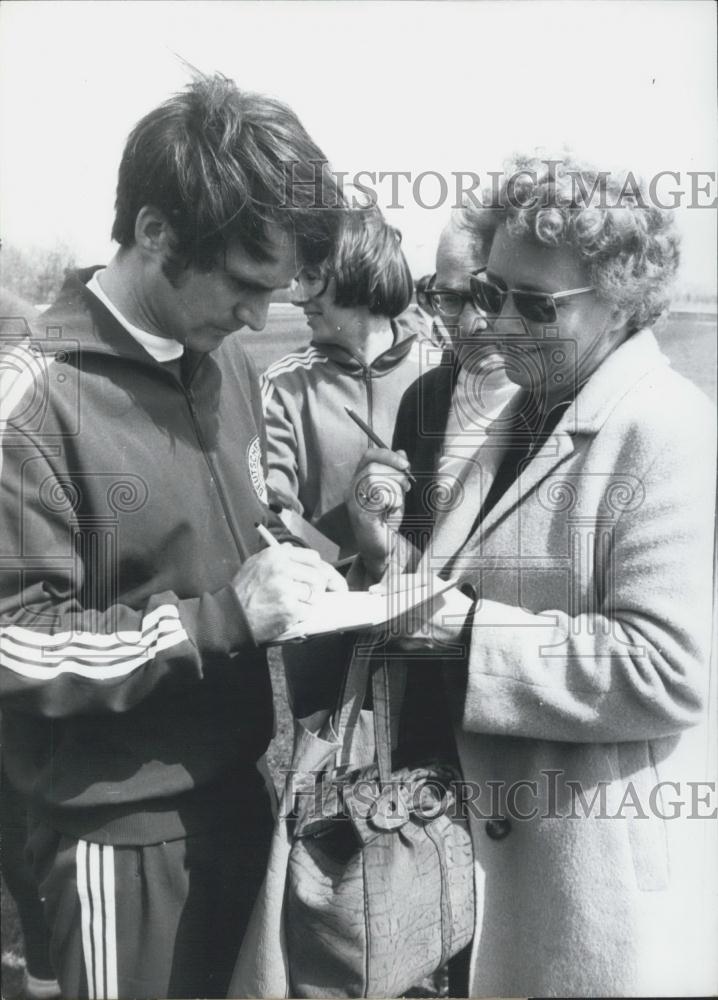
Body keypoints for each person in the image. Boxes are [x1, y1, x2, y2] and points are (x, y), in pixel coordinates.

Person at [0, 73, 347, 1000]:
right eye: (243, 283)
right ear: (155, 231)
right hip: (120, 835)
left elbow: (232, 525)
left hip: (242, 803)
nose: (257, 318)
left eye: (276, 292)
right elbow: (11, 641)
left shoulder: (222, 359)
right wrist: (219, 620)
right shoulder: (32, 402)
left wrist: (327, 555)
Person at [346, 154, 717, 997]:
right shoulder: (527, 409)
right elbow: (466, 597)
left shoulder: (667, 430)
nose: (499, 323)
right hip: (486, 862)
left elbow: (664, 670)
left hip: (586, 891)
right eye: (489, 292)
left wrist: (468, 632)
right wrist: (387, 560)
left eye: (535, 306)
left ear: (624, 303)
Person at [261, 204, 431, 557]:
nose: (295, 297)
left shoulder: (442, 373)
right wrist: (345, 555)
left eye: (311, 278)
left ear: (360, 274)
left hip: (431, 595)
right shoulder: (282, 386)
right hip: (332, 597)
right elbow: (270, 514)